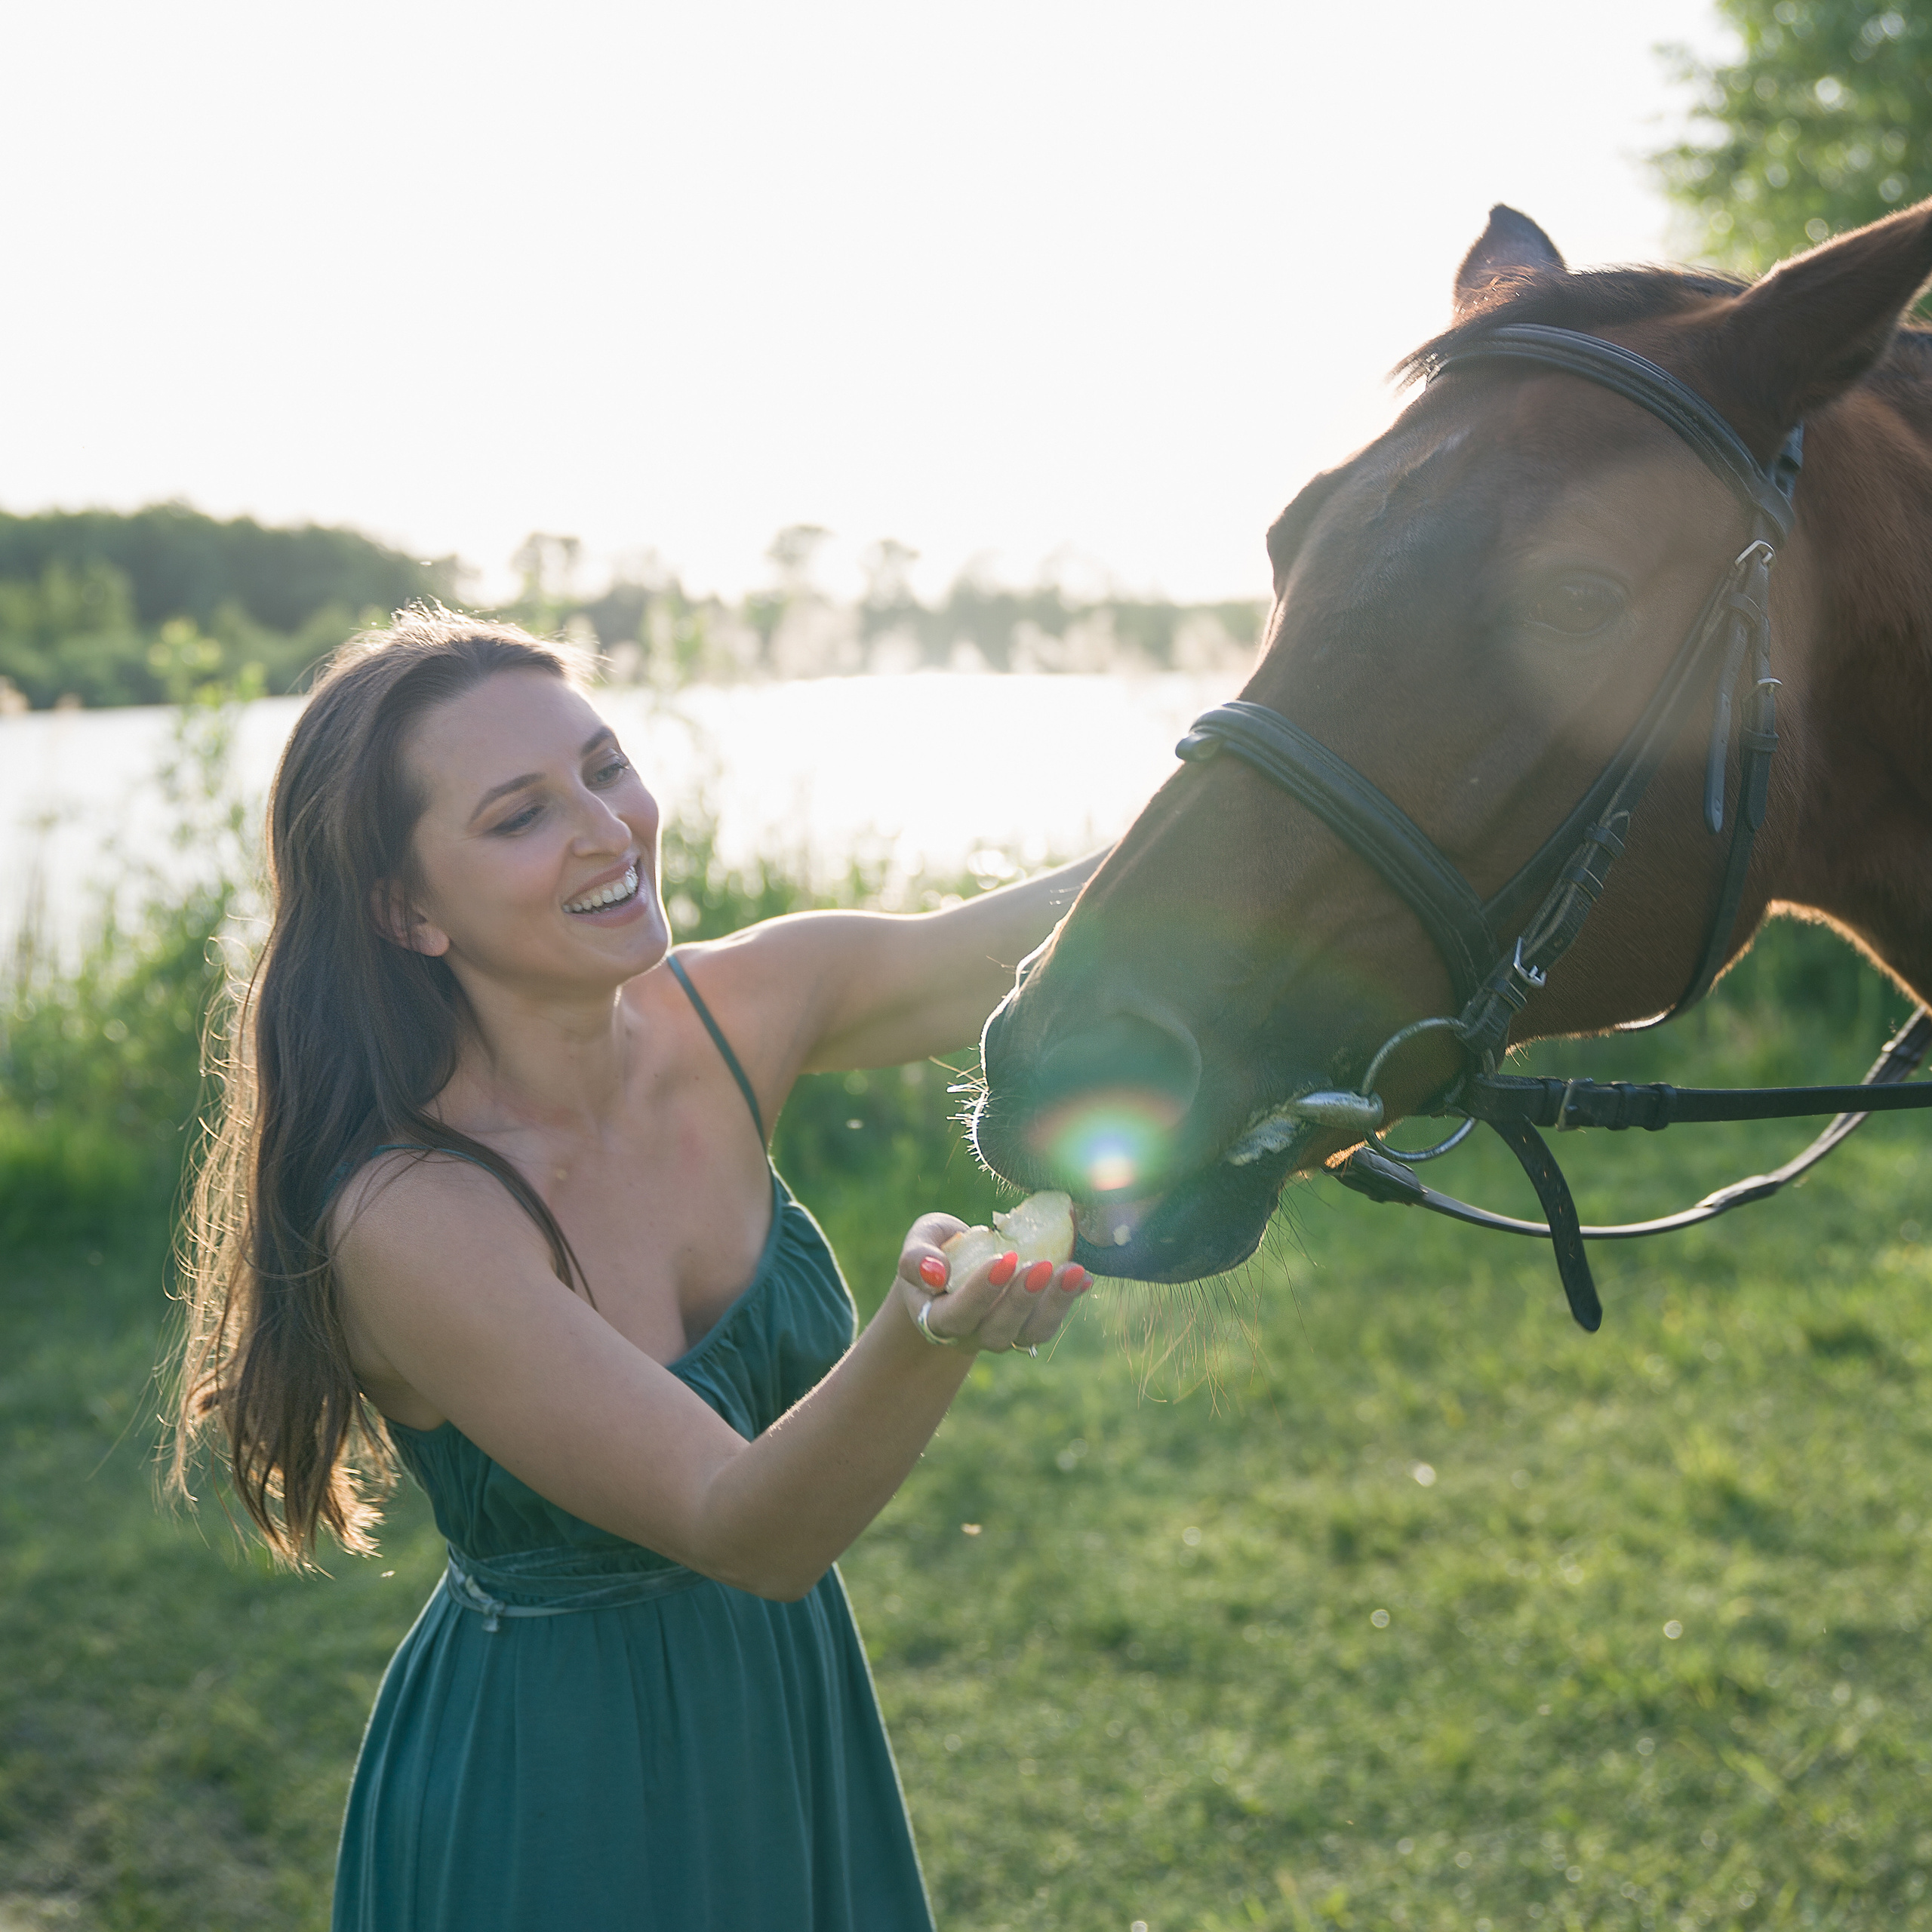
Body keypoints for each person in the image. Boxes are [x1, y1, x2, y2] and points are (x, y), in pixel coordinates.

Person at [167, 608, 1101, 1930]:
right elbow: (745, 1527)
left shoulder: (738, 1010)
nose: (610, 832)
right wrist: (922, 1329)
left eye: (606, 768)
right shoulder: (408, 1212)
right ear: (405, 909)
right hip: (559, 1789)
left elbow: (1073, 932)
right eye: (519, 816)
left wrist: (1296, 775)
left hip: (785, 1713)